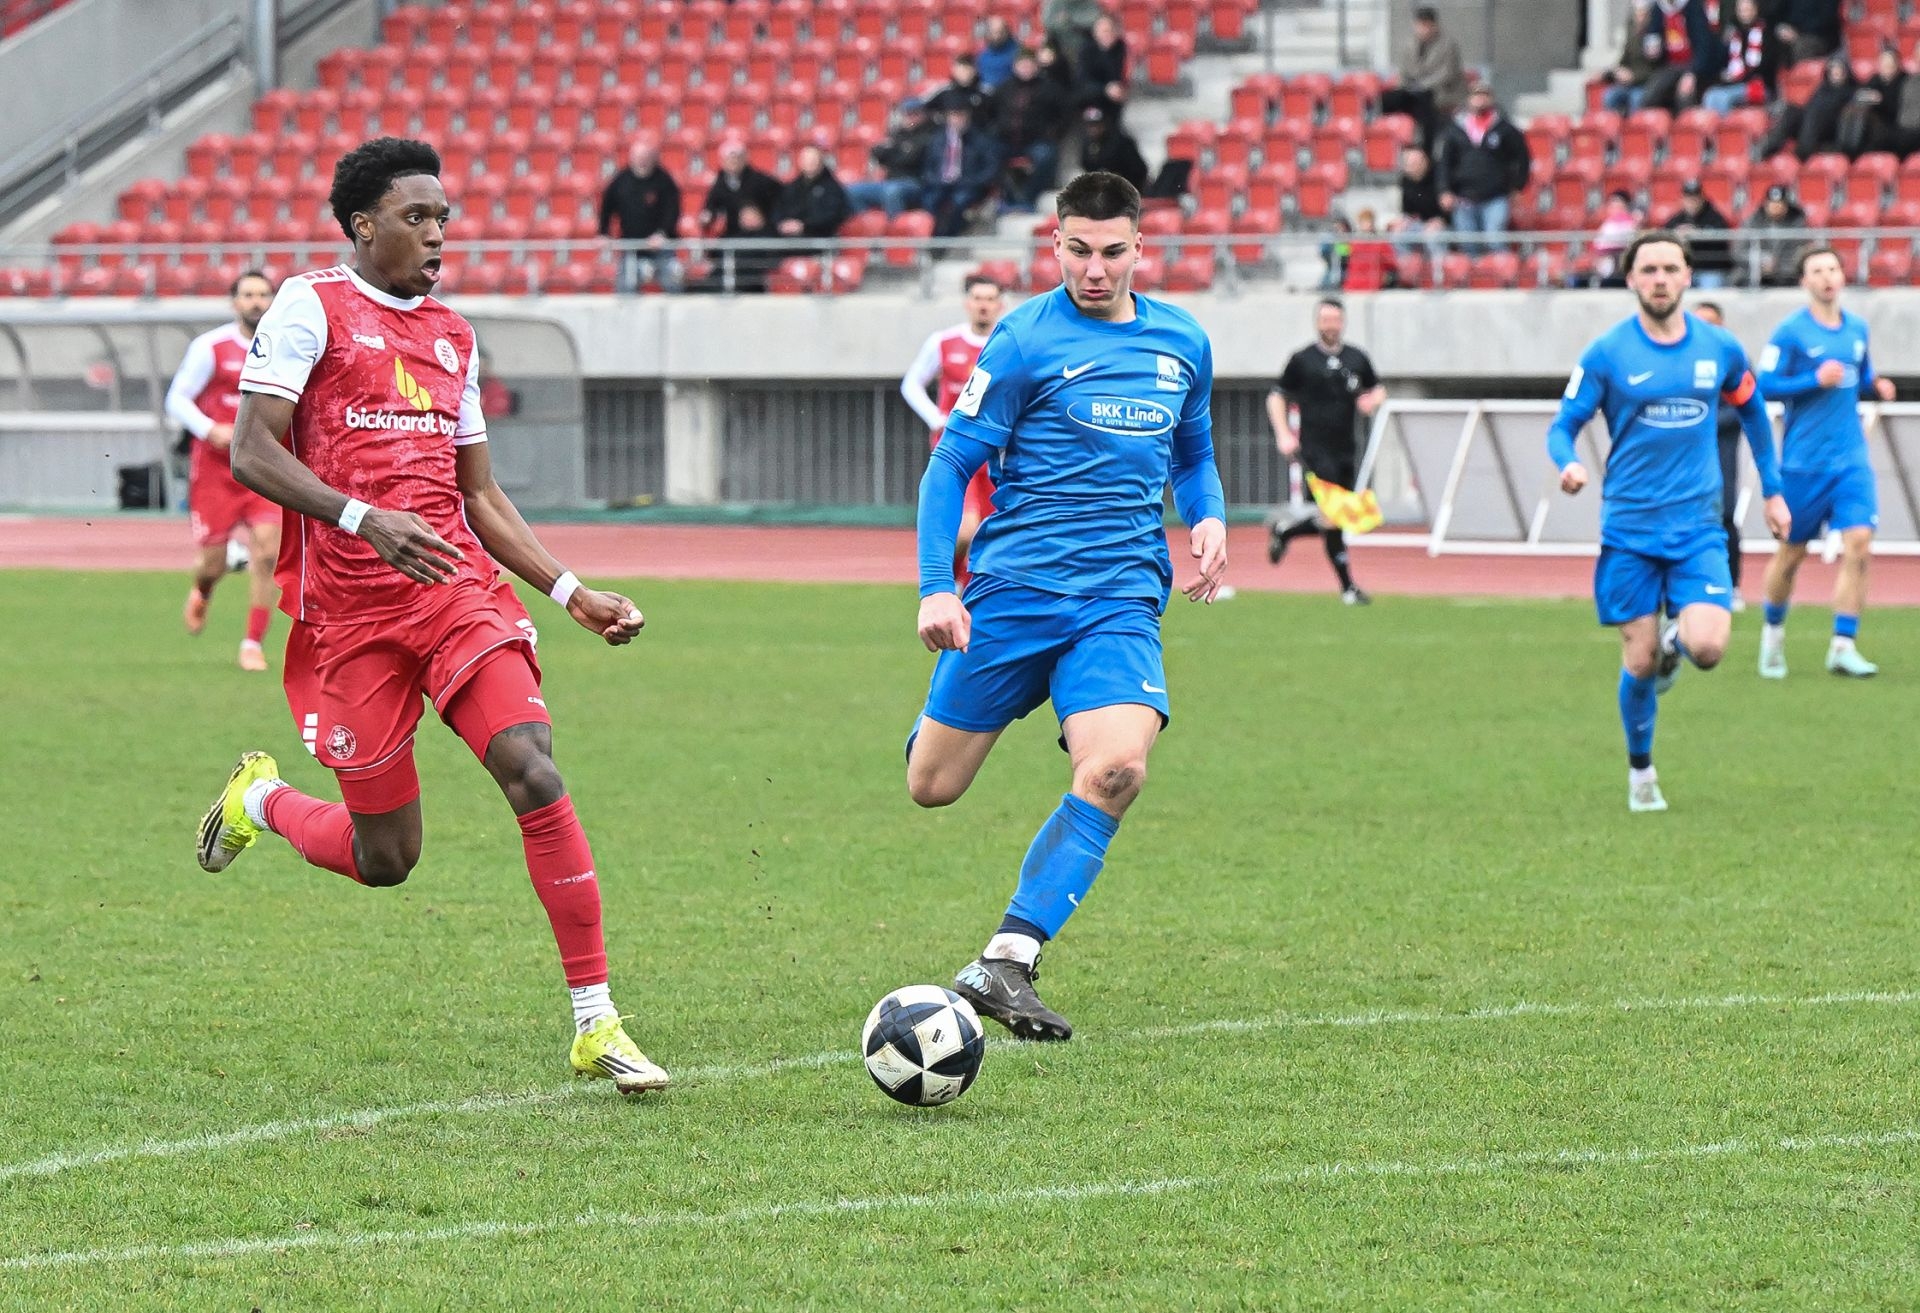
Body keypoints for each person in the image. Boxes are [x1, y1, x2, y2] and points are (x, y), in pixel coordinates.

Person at [198, 136, 669, 1095]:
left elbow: (479, 494)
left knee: (533, 769)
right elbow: (252, 449)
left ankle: (596, 1020)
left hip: (458, 595)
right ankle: (263, 801)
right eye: (416, 217)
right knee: (387, 858)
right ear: (363, 224)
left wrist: (571, 591)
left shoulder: (454, 334)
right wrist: (363, 518)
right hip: (351, 617)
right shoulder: (310, 306)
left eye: (444, 218)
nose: (438, 234)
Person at [907, 171, 1227, 1041]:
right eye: (1078, 250)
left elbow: (1194, 452)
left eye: (1112, 252)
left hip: (1119, 599)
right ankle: (958, 705)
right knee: (932, 785)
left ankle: (1007, 957)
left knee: (1118, 769)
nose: (1095, 269)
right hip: (1013, 592)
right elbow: (950, 464)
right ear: (1054, 244)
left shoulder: (1183, 342)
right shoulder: (1021, 341)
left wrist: (1207, 515)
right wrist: (938, 586)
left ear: (1140, 248)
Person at [1546, 230, 1789, 813]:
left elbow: (1754, 413)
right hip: (1629, 529)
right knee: (1639, 660)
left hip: (1698, 526)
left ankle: (1676, 644)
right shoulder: (1606, 353)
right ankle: (1641, 772)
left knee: (1708, 647)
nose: (1660, 279)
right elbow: (1563, 425)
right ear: (1631, 279)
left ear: (1687, 276)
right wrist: (1569, 463)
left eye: (1670, 269)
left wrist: (1774, 493)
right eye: (1649, 269)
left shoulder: (1719, 347)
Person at [1755, 244, 1898, 679]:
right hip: (1803, 464)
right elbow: (1763, 384)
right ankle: (1772, 635)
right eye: (1817, 271)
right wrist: (1812, 379)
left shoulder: (1856, 328)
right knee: (1791, 554)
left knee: (1860, 544)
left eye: (1833, 268)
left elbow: (1860, 375)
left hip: (1851, 461)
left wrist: (1876, 385)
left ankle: (1843, 645)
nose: (1827, 277)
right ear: (1804, 281)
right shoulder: (1790, 332)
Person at [166, 269, 281, 672]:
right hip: (216, 470)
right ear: (234, 302)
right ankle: (202, 591)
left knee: (267, 552)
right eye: (248, 294)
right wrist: (207, 428)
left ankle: (252, 643)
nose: (256, 301)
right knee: (213, 562)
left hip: (263, 466)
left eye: (263, 294)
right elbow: (177, 398)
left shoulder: (284, 348)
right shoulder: (210, 347)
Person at [1264, 298, 1386, 604]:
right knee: (1334, 516)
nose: (1330, 325)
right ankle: (1348, 588)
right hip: (1314, 451)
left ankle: (1286, 531)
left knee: (1338, 517)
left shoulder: (1356, 358)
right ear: (1317, 322)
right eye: (1325, 320)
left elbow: (1377, 388)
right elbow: (1276, 397)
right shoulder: (1303, 360)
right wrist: (1283, 434)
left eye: (1335, 320)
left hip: (1346, 450)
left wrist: (1372, 401)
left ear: (1342, 322)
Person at [899, 273, 1007, 583]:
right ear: (967, 303)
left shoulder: (1008, 344)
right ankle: (946, 581)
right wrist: (935, 417)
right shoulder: (944, 342)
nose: (983, 305)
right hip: (956, 450)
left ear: (1000, 305)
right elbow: (911, 383)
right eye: (978, 298)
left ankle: (965, 590)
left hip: (997, 452)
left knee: (991, 535)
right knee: (964, 530)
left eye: (990, 299)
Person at [1691, 300, 1748, 608]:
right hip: (1684, 457)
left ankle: (1732, 584)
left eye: (1710, 322)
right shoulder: (1680, 359)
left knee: (1724, 515)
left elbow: (1745, 407)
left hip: (1721, 451)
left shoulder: (1732, 358)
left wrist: (1701, 421)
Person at [1433, 82, 1531, 243]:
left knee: (1495, 239)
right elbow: (1444, 162)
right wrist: (1444, 190)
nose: (1480, 99)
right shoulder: (1454, 130)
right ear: (1469, 99)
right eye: (1476, 95)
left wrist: (1518, 186)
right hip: (1463, 196)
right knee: (1468, 243)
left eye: (1484, 95)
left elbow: (1523, 158)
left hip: (1496, 196)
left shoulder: (1505, 129)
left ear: (1491, 98)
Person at [597, 134, 682, 293]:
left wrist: (662, 233)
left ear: (653, 158)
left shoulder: (664, 181)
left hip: (660, 246)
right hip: (631, 247)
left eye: (645, 157)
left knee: (674, 285)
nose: (642, 161)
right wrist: (603, 233)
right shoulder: (620, 181)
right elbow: (606, 207)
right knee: (625, 289)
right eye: (638, 157)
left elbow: (673, 210)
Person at [991, 48, 1074, 209]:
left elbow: (1066, 114)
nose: (1026, 68)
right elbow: (990, 112)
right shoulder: (1003, 88)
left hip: (1036, 140)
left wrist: (1053, 133)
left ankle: (1028, 197)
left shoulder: (1050, 88)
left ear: (1036, 66)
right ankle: (1007, 198)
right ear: (1015, 66)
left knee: (1046, 156)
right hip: (1006, 140)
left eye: (1029, 65)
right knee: (989, 155)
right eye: (1022, 65)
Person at [1381, 5, 1469, 143]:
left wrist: (1422, 86)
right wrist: (1406, 87)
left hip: (1441, 93)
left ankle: (1426, 147)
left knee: (1425, 105)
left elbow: (1447, 74)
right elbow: (1404, 72)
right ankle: (1389, 139)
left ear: (1434, 25)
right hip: (1414, 92)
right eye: (1420, 25)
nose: (1423, 29)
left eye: (1426, 25)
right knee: (1389, 98)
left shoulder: (1448, 45)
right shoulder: (1409, 45)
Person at [921, 102, 1002, 238]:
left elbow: (991, 168)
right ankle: (933, 237)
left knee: (959, 201)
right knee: (930, 200)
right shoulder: (938, 140)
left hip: (968, 185)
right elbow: (928, 167)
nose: (957, 120)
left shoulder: (980, 140)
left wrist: (975, 181)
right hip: (941, 184)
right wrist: (934, 179)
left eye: (960, 115)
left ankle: (949, 237)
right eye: (954, 115)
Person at [847, 98, 933, 218]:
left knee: (892, 191)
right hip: (890, 180)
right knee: (853, 191)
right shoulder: (898, 133)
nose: (911, 118)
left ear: (923, 115)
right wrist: (898, 152)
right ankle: (868, 225)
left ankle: (896, 228)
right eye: (907, 114)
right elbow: (877, 153)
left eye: (915, 114)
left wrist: (893, 152)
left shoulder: (930, 135)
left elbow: (911, 159)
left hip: (914, 182)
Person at [1701, 0, 1782, 112]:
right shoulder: (1734, 34)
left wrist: (1743, 76)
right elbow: (1725, 62)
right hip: (1736, 83)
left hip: (1759, 85)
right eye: (1741, 10)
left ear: (1755, 10)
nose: (1744, 14)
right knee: (1710, 95)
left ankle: (1727, 123)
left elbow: (1767, 66)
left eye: (1747, 10)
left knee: (1723, 98)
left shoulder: (1767, 33)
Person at [698, 140, 783, 238]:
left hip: (762, 233)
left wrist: (766, 218)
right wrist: (709, 216)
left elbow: (780, 200)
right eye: (729, 159)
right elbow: (712, 206)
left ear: (745, 159)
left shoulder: (761, 181)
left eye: (737, 158)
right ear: (722, 161)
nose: (733, 162)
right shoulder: (720, 183)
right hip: (734, 233)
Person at [1660, 179, 1735, 287]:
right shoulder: (1678, 218)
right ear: (1682, 199)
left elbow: (1721, 239)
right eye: (1688, 198)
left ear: (1702, 198)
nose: (1692, 202)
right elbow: (1665, 234)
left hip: (1711, 268)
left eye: (1695, 198)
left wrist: (1696, 233)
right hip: (1685, 268)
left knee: (1710, 288)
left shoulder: (1714, 217)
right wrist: (1677, 234)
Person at [772, 145, 852, 247]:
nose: (809, 163)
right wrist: (782, 224)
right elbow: (779, 209)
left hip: (818, 238)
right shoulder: (792, 187)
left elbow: (832, 216)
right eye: (806, 160)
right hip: (788, 236)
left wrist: (804, 226)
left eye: (813, 160)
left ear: (821, 161)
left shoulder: (832, 188)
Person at [1744, 184, 1809, 285]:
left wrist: (1777, 266)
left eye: (1779, 204)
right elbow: (1738, 252)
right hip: (1755, 274)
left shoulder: (1797, 224)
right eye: (1771, 203)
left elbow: (1800, 253)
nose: (1775, 207)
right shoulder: (1753, 222)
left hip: (1788, 276)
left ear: (1786, 206)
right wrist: (1760, 260)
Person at [1077, 105, 1148, 192]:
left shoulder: (1120, 142)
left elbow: (1138, 169)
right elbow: (1087, 165)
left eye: (1097, 125)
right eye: (1090, 126)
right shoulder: (1088, 143)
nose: (1093, 129)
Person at [1075, 13, 1129, 121]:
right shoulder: (1086, 50)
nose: (1106, 35)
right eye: (1102, 31)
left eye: (1109, 31)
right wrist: (1105, 89)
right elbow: (1083, 80)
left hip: (1116, 98)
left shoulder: (1121, 48)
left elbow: (1121, 75)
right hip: (1091, 98)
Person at [1591, 190, 1643, 285]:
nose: (1614, 207)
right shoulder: (1607, 224)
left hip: (1621, 258)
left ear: (1625, 205)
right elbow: (1598, 244)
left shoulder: (1631, 221)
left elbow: (1628, 241)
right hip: (1605, 258)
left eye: (1617, 204)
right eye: (1612, 204)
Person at [1771, 0, 1841, 62]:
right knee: (1771, 40)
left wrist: (1798, 32)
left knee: (1800, 46)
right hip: (1790, 30)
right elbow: (1779, 12)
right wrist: (1782, 27)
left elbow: (1827, 19)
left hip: (1817, 35)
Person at [977, 15, 1022, 89]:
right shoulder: (981, 53)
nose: (997, 36)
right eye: (993, 32)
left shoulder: (1017, 51)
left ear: (1007, 32)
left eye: (1000, 32)